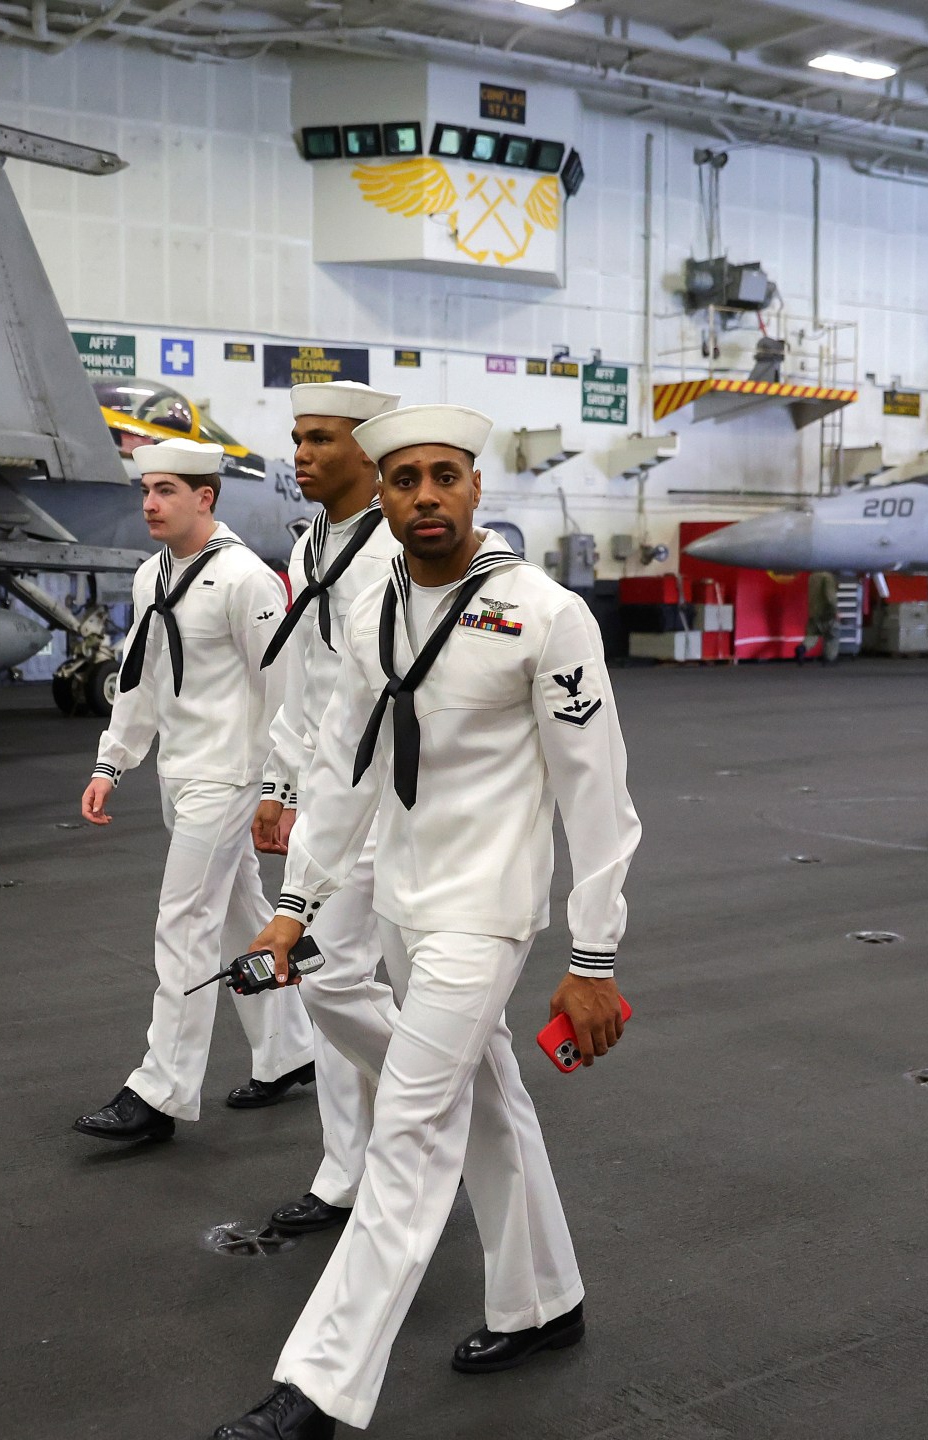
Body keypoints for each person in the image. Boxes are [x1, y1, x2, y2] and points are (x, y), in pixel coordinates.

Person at [209, 405, 642, 1440]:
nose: (425, 497)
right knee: (491, 1101)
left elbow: (599, 799)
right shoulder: (374, 616)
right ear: (387, 493)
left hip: (483, 917)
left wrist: (593, 955)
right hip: (403, 904)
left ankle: (315, 1388)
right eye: (404, 481)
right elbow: (342, 779)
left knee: (408, 1132)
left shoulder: (544, 615)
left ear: (475, 488)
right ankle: (544, 1302)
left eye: (444, 476)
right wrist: (292, 911)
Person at [74, 437, 318, 1143]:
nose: (149, 502)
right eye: (145, 490)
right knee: (244, 914)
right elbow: (138, 676)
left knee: (184, 923)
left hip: (231, 775)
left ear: (205, 497)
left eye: (166, 490)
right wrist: (111, 761)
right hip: (178, 772)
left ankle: (161, 1091)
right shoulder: (152, 575)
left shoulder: (246, 580)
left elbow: (285, 694)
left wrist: (282, 789)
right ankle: (289, 1051)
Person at [250, 380, 409, 1239]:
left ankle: (428, 1108)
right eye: (298, 438)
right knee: (327, 979)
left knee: (336, 978)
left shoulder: (394, 549)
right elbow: (308, 683)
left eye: (320, 439)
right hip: (327, 795)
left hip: (387, 801)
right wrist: (282, 787)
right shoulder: (315, 540)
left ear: (365, 449)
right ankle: (352, 1168)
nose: (300, 454)